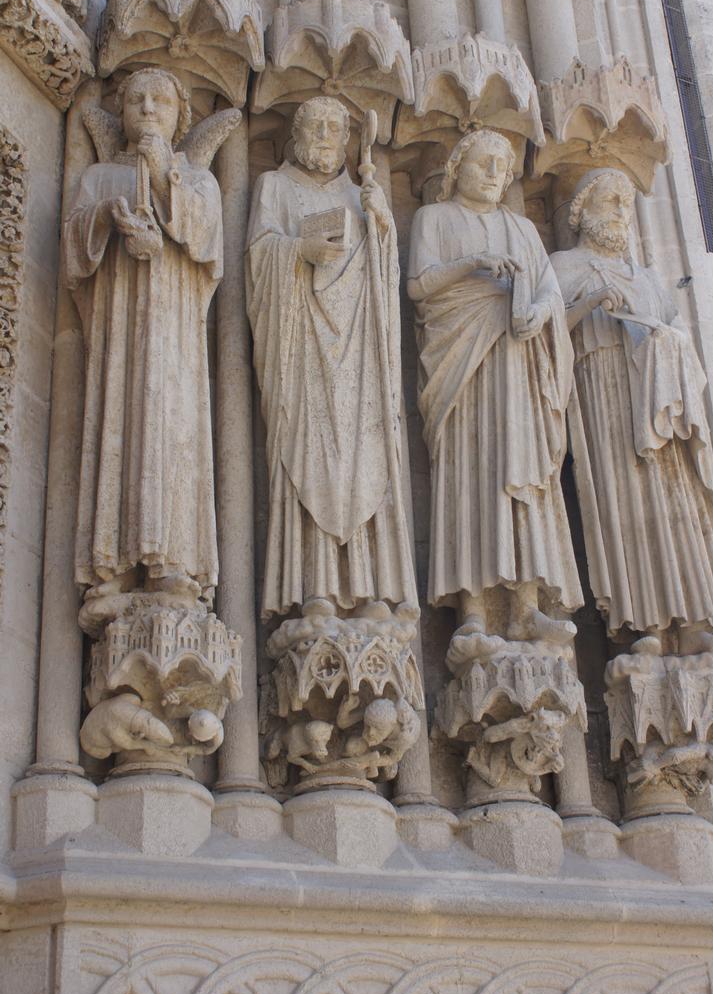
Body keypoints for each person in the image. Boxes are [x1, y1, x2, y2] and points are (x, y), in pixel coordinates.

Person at [246, 95, 417, 619]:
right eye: (315, 125)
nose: (326, 135)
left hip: (361, 358)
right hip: (301, 349)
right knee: (309, 450)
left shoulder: (360, 193)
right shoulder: (274, 186)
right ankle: (312, 588)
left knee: (366, 456)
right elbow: (258, 256)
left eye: (336, 127)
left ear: (348, 140)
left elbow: (387, 283)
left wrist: (381, 227)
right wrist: (299, 250)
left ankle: (371, 590)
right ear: (295, 134)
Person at [408, 128, 581, 636]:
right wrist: (472, 264)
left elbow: (551, 292)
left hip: (518, 370)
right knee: (471, 475)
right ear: (458, 166)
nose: (492, 175)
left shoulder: (523, 229)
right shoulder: (433, 218)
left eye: (501, 169)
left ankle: (526, 608)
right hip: (462, 371)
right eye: (482, 163)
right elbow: (419, 286)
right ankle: (474, 612)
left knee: (521, 479)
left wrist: (537, 313)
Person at [550, 167, 713, 644]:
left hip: (657, 402)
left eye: (625, 204)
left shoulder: (650, 278)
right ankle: (643, 626)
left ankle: (692, 624)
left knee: (675, 507)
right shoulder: (564, 266)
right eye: (608, 200)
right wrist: (589, 303)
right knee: (623, 505)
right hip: (603, 393)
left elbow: (681, 339)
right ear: (580, 210)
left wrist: (666, 342)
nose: (619, 212)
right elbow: (541, 337)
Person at [65, 67, 223, 614]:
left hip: (175, 331)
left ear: (182, 116)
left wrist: (163, 180)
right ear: (122, 113)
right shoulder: (101, 176)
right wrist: (109, 219)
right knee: (117, 428)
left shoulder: (197, 177)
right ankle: (112, 565)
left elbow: (205, 242)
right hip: (119, 330)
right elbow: (72, 249)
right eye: (136, 100)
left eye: (160, 100)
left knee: (173, 430)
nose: (149, 109)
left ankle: (175, 563)